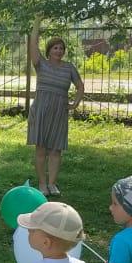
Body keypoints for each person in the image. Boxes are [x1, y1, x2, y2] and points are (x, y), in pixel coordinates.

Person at [26, 34, 85, 197]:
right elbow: (33, 45)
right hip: (41, 111)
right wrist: (37, 24)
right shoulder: (41, 64)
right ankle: (42, 183)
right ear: (49, 50)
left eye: (61, 48)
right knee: (41, 149)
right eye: (55, 48)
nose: (59, 51)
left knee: (56, 150)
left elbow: (80, 86)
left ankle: (52, 184)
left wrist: (74, 104)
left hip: (59, 112)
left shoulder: (69, 67)